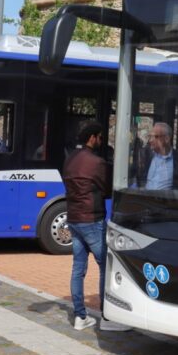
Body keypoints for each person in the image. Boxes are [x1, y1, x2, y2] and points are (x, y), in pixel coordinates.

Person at [62, 121, 128, 332]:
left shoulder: (69, 159)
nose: (101, 140)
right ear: (92, 138)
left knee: (78, 268)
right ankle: (107, 316)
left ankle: (80, 316)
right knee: (104, 267)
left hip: (73, 218)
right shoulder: (97, 162)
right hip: (92, 218)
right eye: (100, 137)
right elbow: (107, 188)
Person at [135, 122, 178, 190]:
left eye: (155, 137)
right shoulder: (146, 156)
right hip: (145, 198)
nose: (151, 140)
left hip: (167, 199)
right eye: (150, 136)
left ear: (167, 139)